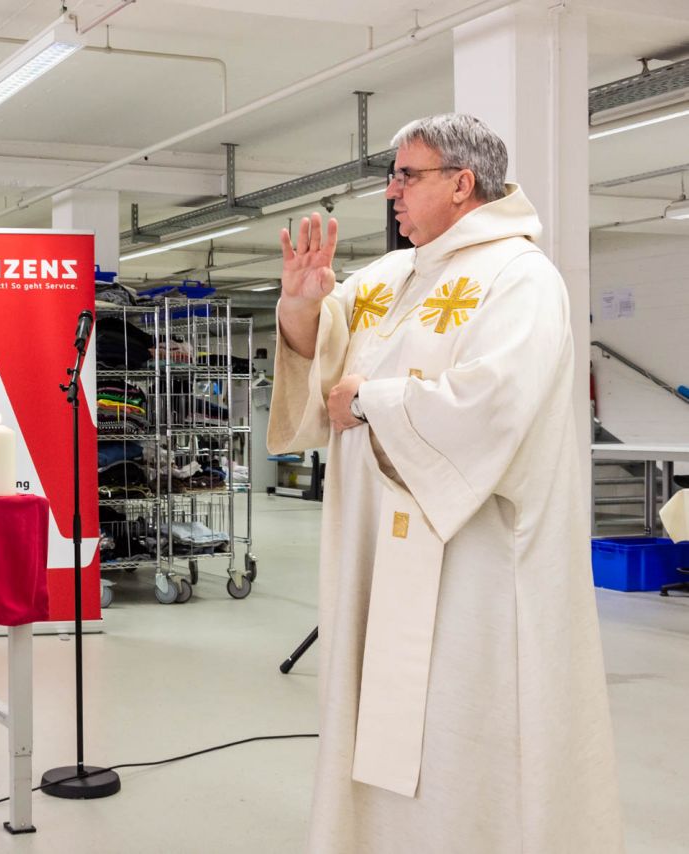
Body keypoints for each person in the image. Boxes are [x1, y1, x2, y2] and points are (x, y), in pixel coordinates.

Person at [270, 113, 624, 853]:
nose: (391, 192)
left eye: (407, 175)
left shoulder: (521, 277)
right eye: (392, 176)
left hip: (474, 564)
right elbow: (323, 358)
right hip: (378, 550)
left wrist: (373, 402)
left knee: (459, 731)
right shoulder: (393, 274)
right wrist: (303, 305)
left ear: (461, 183)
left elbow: (494, 402)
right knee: (385, 721)